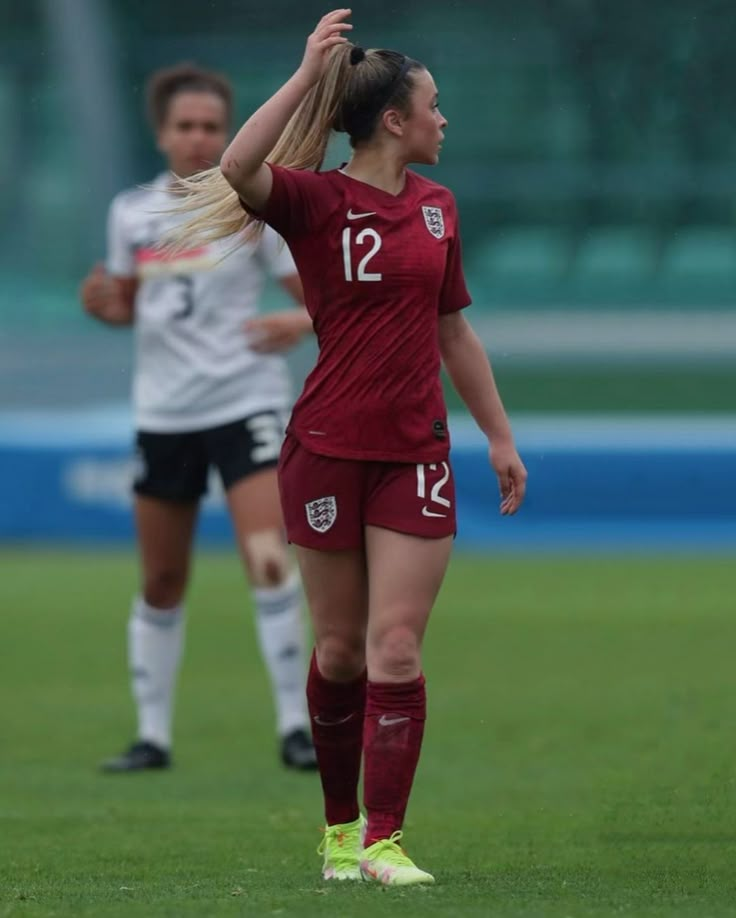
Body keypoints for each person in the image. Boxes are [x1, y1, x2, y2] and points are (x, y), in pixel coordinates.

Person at [166, 10, 527, 886]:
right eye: (435, 105)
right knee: (339, 654)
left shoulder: (439, 210)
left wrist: (500, 436)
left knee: (396, 646)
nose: (445, 120)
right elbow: (237, 168)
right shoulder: (316, 199)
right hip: (326, 449)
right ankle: (336, 830)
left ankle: (383, 841)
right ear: (394, 120)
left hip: (415, 454)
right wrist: (302, 76)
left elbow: (453, 332)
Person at [79, 63, 318, 773]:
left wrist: (296, 320)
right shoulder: (132, 213)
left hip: (244, 399)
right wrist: (103, 307)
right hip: (164, 411)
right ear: (162, 134)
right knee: (161, 579)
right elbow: (128, 306)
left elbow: (318, 298)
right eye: (185, 126)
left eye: (211, 126)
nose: (198, 138)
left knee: (268, 560)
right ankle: (152, 737)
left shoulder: (252, 205)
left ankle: (293, 727)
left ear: (226, 130)